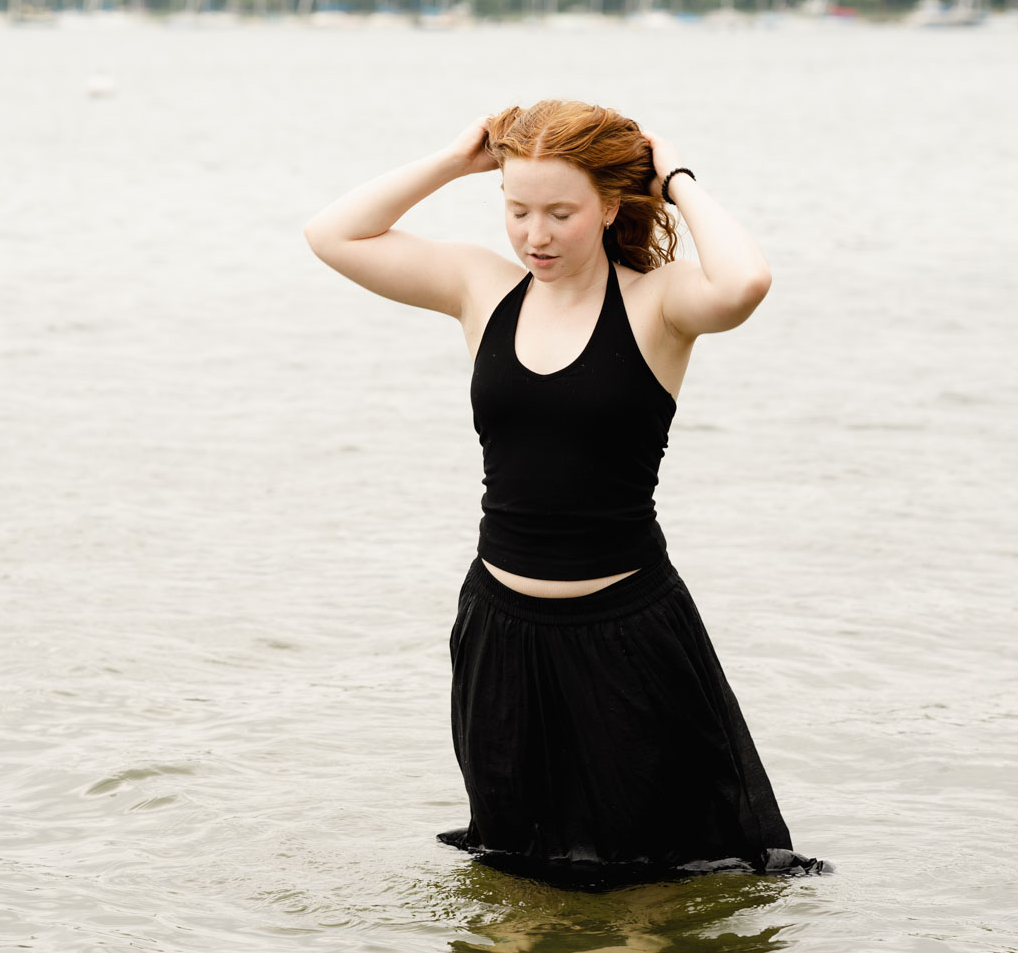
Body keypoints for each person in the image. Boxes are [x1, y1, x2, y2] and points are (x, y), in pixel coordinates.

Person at [303, 99, 827, 888]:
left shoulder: (659, 304)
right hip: (500, 636)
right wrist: (455, 160)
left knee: (643, 902)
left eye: (559, 213)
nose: (535, 236)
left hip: (628, 638)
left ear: (610, 205)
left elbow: (747, 280)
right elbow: (331, 234)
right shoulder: (481, 288)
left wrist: (675, 178)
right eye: (516, 210)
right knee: (516, 891)